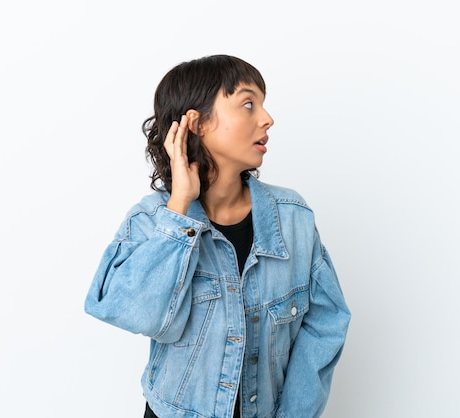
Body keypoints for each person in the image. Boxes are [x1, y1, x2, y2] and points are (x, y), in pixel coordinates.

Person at [84, 54, 350, 418]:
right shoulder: (151, 220)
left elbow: (326, 322)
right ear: (196, 123)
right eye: (247, 104)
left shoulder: (292, 217)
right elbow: (133, 313)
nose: (267, 118)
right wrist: (179, 206)